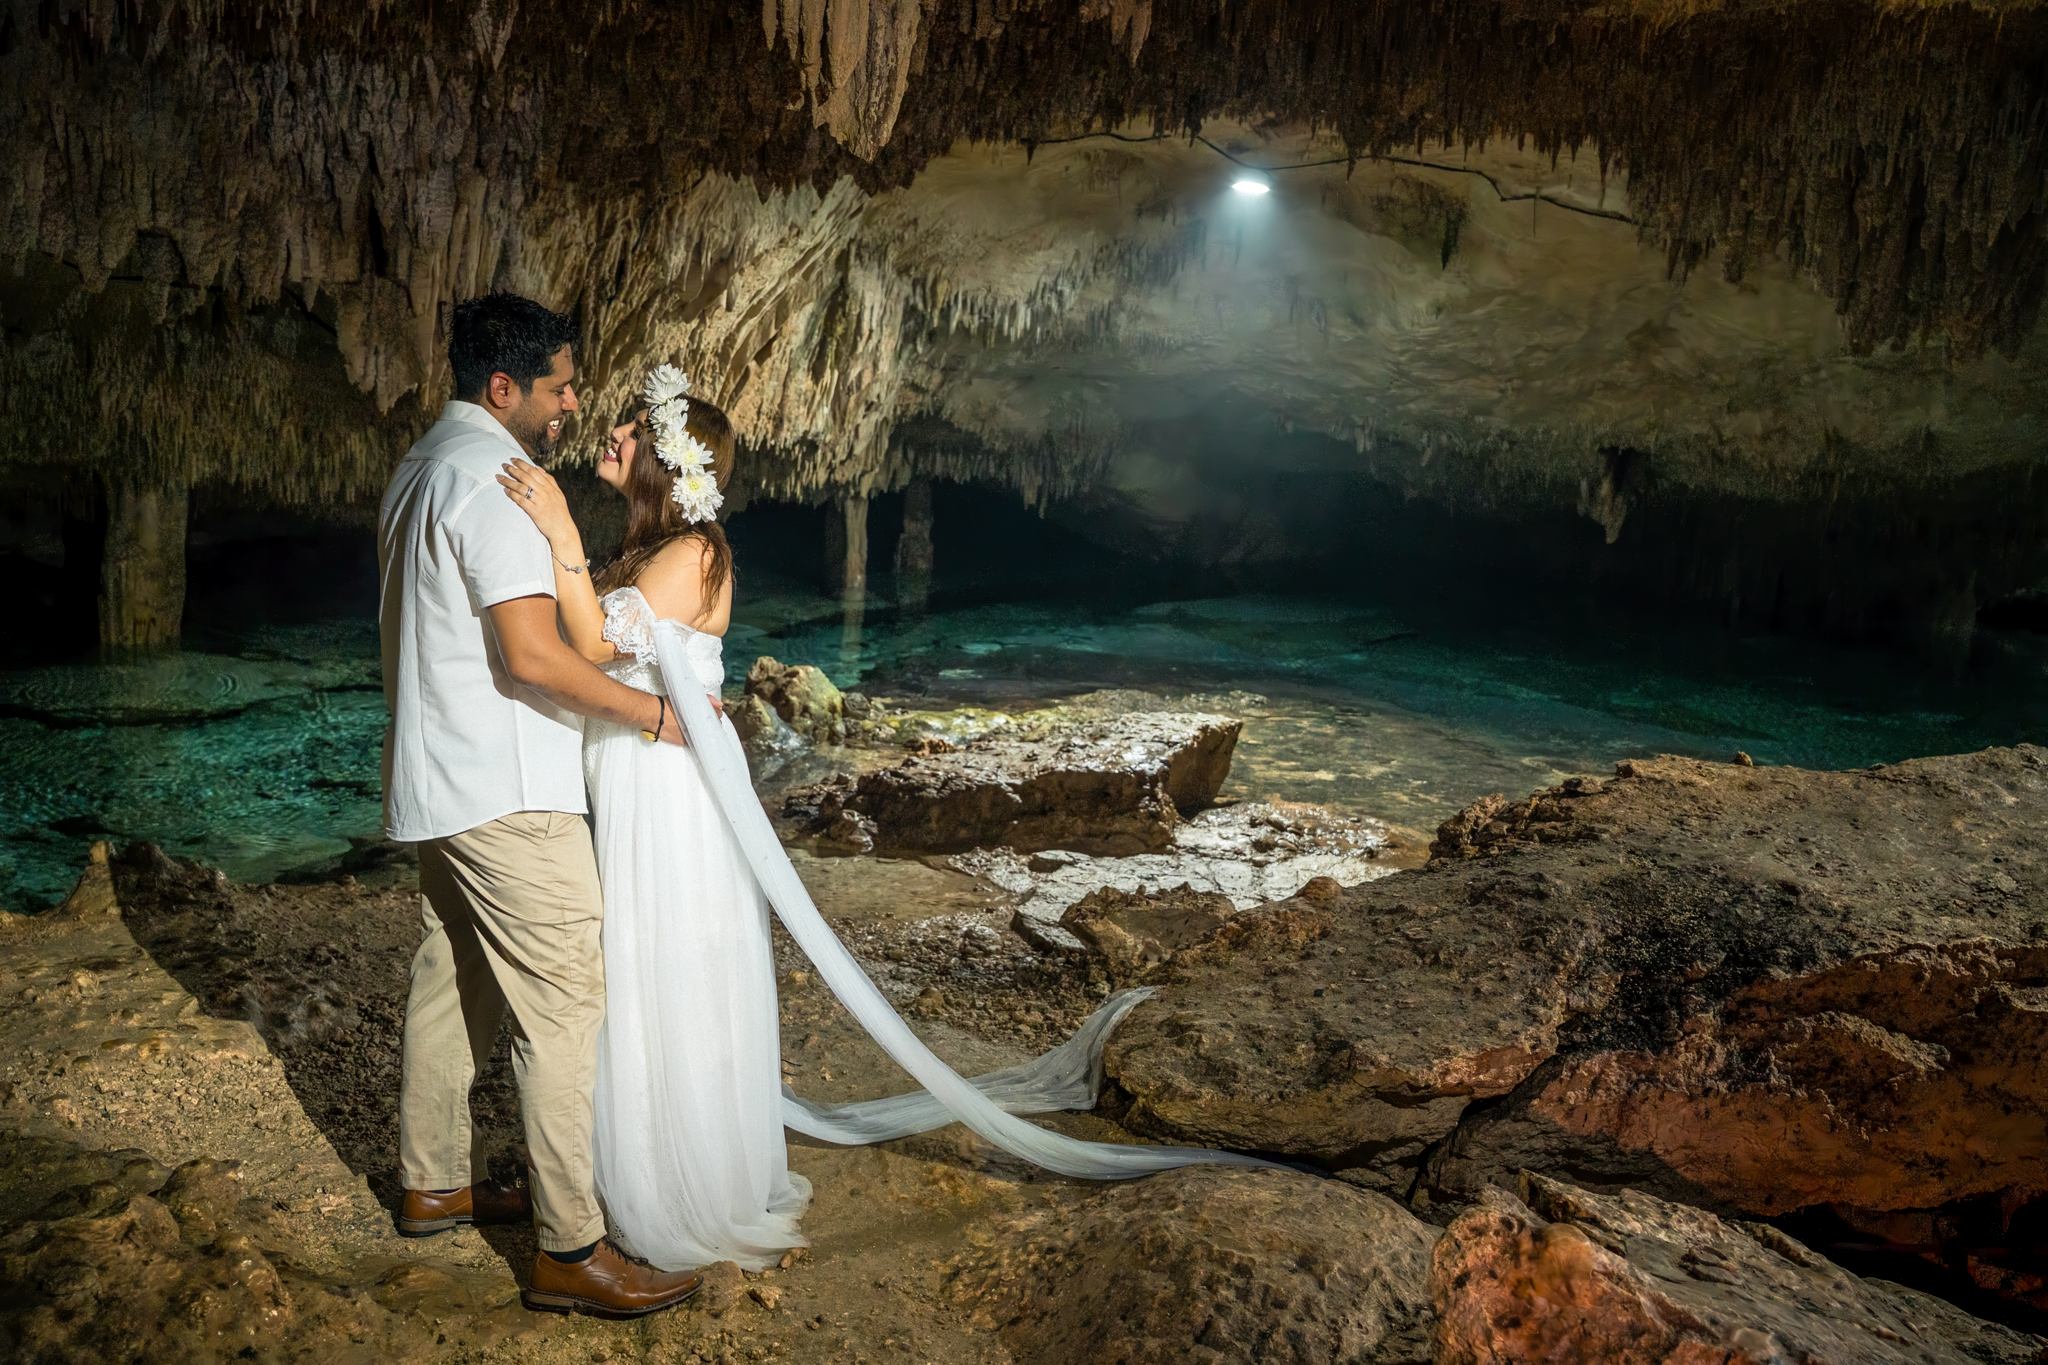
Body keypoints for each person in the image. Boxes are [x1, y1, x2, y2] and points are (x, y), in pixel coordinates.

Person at [496, 361, 1276, 1274]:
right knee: (637, 964)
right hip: (640, 776)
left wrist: (556, 528)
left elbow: (592, 640)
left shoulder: (696, 554)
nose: (616, 434)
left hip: (665, 793)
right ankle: (625, 1153)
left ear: (666, 463)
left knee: (656, 961)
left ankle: (671, 1177)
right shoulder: (656, 550)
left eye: (635, 429)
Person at [376, 293, 704, 1318]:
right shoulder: (493, 482)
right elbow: (531, 658)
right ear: (502, 387)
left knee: (454, 979)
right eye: (558, 389)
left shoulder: (419, 468)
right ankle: (571, 1246)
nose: (570, 406)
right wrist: (653, 715)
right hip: (509, 789)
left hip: (437, 781)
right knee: (564, 1003)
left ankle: (434, 1182)